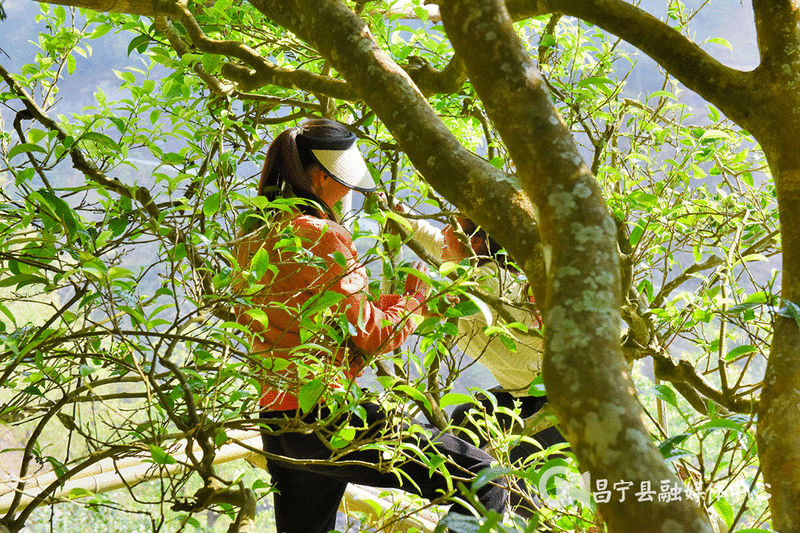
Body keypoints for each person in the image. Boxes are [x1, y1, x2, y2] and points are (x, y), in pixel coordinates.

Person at [233, 119, 506, 533]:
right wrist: (418, 297)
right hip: (330, 417)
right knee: (483, 478)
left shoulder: (254, 234)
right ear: (323, 177)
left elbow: (336, 319)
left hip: (280, 422)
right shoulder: (323, 235)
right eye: (345, 183)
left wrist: (418, 302)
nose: (350, 195)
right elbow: (371, 334)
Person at [398, 210, 567, 515]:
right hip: (527, 393)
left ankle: (511, 520)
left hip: (561, 404)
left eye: (452, 228)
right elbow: (437, 243)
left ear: (474, 243)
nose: (444, 232)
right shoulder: (474, 266)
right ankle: (465, 508)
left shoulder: (489, 280)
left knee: (512, 482)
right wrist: (396, 216)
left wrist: (411, 300)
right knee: (466, 422)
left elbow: (450, 306)